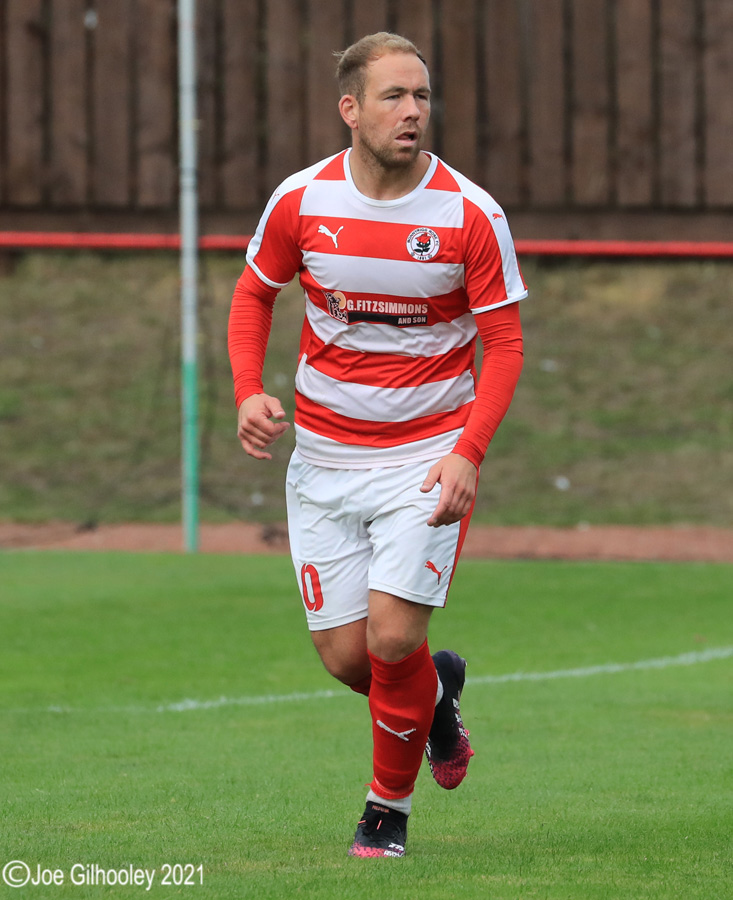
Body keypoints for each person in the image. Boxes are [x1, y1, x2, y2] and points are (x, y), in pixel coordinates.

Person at [228, 32, 527, 858]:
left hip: (424, 457)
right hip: (323, 460)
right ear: (349, 109)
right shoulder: (301, 200)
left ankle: (383, 814)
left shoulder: (468, 212)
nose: (413, 112)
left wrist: (466, 452)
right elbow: (254, 294)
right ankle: (437, 700)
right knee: (350, 661)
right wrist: (248, 391)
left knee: (394, 639)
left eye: (422, 96)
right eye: (394, 96)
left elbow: (503, 345)